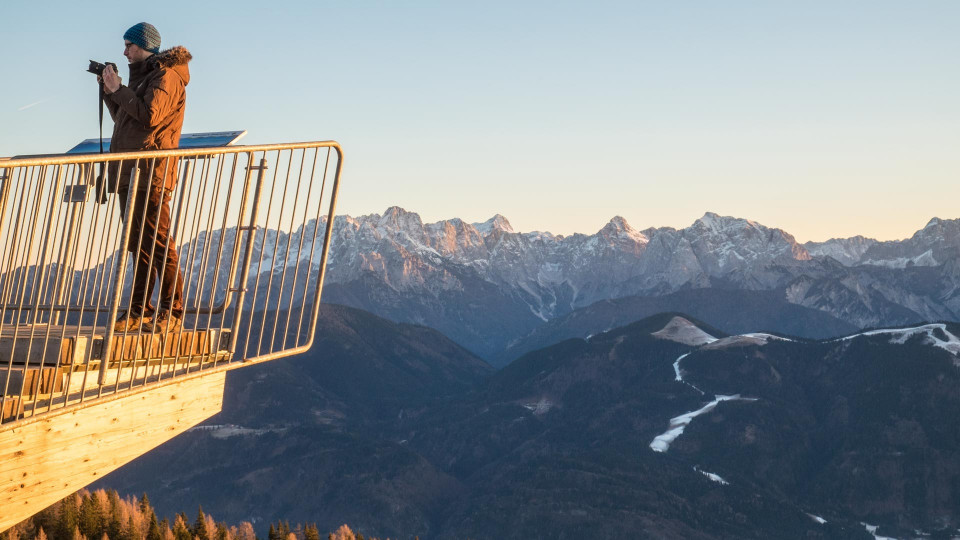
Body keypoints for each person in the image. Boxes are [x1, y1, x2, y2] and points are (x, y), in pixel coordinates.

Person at [99, 22, 192, 333]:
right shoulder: (146, 78)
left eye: (130, 45)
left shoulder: (167, 77)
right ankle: (139, 310)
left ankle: (172, 311)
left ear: (147, 47)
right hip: (130, 170)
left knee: (157, 242)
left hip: (151, 172)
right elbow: (129, 119)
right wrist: (111, 92)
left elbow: (151, 115)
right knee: (137, 243)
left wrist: (119, 90)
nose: (125, 51)